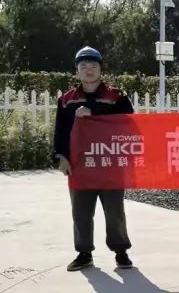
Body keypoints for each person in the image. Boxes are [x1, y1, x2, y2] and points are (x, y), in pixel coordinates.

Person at [54, 46, 135, 272]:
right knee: (81, 212)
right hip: (80, 165)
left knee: (114, 211)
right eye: (83, 66)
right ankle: (84, 253)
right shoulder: (67, 100)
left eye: (93, 65)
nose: (88, 70)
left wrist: (95, 114)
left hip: (110, 163)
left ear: (101, 69)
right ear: (77, 71)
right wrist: (61, 157)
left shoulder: (117, 97)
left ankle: (121, 251)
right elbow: (60, 131)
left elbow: (129, 123)